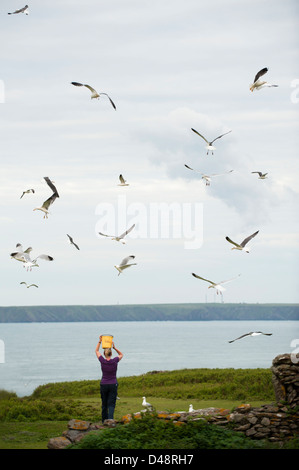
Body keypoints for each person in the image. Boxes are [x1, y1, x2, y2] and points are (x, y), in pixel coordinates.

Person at [95, 335, 123, 422]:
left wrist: (100, 341)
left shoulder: (102, 361)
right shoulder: (115, 360)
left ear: (104, 354)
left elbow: (96, 351)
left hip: (104, 384)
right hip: (113, 384)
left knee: (104, 403)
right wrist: (114, 347)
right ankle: (110, 421)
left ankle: (104, 421)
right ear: (111, 354)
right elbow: (121, 354)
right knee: (111, 404)